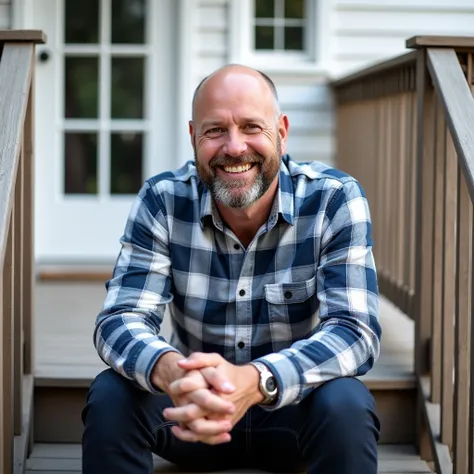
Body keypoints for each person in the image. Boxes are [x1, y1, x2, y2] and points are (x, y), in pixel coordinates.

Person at [81, 64, 382, 474]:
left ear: (282, 130)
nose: (235, 147)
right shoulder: (163, 200)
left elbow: (354, 331)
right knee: (112, 395)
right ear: (193, 137)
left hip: (290, 411)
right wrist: (170, 372)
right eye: (215, 130)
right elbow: (120, 318)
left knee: (347, 402)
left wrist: (257, 380)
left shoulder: (334, 199)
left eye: (252, 127)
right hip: (190, 411)